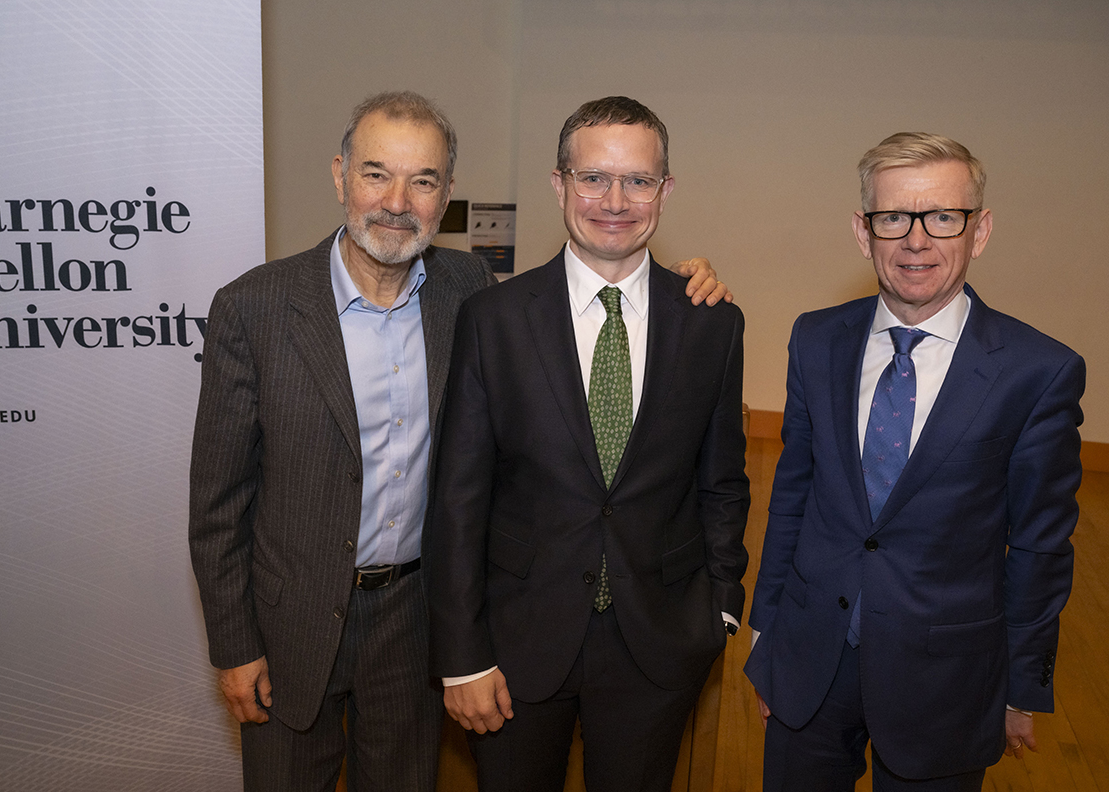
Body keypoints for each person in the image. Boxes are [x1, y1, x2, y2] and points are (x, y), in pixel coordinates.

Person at [188, 91, 728, 791]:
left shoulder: (469, 294)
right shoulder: (253, 307)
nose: (396, 201)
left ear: (445, 195)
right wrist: (234, 645)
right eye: (376, 174)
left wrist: (689, 283)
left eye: (424, 181)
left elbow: (582, 321)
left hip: (417, 622)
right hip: (291, 626)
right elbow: (219, 502)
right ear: (339, 176)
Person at [426, 96, 750, 792]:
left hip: (658, 643)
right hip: (515, 645)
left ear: (665, 191)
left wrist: (720, 606)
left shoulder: (712, 325)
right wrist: (462, 657)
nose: (615, 200)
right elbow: (457, 498)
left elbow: (722, 480)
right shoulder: (493, 320)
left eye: (638, 180)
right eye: (593, 178)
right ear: (559, 184)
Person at [744, 132, 1084, 791]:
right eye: (894, 217)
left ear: (978, 231)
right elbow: (794, 495)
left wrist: (1025, 685)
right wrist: (769, 636)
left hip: (947, 680)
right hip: (812, 661)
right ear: (862, 230)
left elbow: (1043, 550)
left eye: (943, 218)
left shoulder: (1037, 371)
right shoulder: (815, 339)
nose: (916, 240)